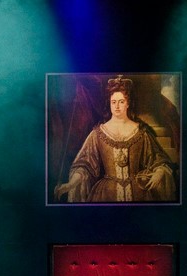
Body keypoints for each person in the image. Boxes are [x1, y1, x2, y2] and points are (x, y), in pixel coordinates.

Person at [53, 74, 177, 203]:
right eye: (113, 102)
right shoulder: (98, 133)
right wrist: (71, 183)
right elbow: (84, 165)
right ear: (110, 103)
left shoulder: (141, 132)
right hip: (105, 193)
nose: (117, 106)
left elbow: (159, 161)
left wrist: (160, 172)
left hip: (138, 193)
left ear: (128, 103)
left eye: (121, 101)